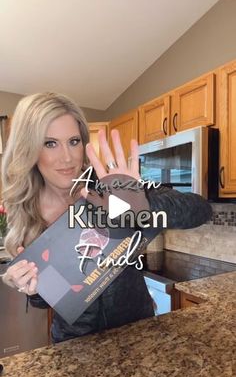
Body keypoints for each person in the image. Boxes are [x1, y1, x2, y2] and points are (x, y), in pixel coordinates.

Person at [2, 92, 212, 344]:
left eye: (73, 141)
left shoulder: (110, 186)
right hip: (75, 346)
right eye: (50, 143)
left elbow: (200, 210)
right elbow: (47, 296)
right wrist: (31, 287)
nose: (67, 157)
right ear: (30, 149)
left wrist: (142, 207)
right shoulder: (28, 211)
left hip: (138, 333)